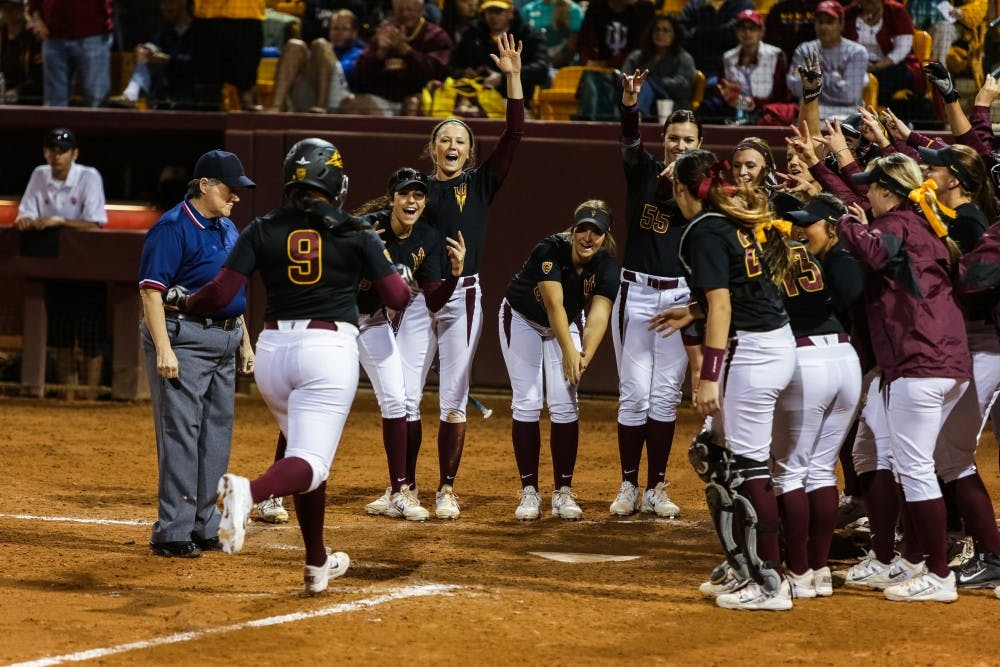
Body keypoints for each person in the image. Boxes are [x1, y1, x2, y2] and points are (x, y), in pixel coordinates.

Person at [172, 138, 411, 592]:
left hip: (273, 353)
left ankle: (316, 563)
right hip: (327, 349)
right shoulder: (357, 230)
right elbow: (397, 298)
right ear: (335, 182)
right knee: (311, 463)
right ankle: (248, 494)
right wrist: (400, 274)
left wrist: (185, 301)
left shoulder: (262, 227)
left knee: (304, 456)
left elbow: (221, 295)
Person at [651, 148, 796, 611]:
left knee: (750, 468)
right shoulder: (727, 218)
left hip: (754, 352)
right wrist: (690, 311)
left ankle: (771, 581)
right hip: (767, 344)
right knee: (713, 455)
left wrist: (708, 376)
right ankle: (743, 566)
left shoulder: (705, 229)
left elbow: (724, 305)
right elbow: (736, 291)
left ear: (680, 189)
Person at [839, 153, 971, 602]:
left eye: (871, 187)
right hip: (942, 362)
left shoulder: (896, 223)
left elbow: (873, 252)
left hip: (920, 362)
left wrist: (846, 225)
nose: (866, 194)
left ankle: (938, 574)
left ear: (888, 190)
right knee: (896, 456)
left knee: (914, 469)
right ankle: (913, 562)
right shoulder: (924, 225)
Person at [416, 32, 524, 519]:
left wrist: (513, 79)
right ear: (433, 149)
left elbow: (514, 135)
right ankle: (400, 489)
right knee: (403, 396)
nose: (453, 145)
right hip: (417, 299)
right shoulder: (413, 190)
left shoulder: (481, 184)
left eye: (461, 140)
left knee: (452, 399)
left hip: (463, 296)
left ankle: (444, 489)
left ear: (469, 151)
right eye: (445, 139)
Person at [138, 150, 255, 558]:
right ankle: (172, 530)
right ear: (204, 184)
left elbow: (232, 290)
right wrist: (164, 350)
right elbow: (152, 291)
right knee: (181, 435)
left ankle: (204, 525)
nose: (236, 196)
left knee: (215, 436)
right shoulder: (172, 227)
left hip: (224, 341)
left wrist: (244, 339)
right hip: (183, 340)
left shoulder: (226, 227)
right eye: (229, 187)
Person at [608, 75, 702, 520]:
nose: (679, 145)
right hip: (637, 294)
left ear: (699, 144)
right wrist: (630, 101)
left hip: (680, 300)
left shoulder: (706, 188)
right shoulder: (643, 170)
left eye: (688, 140)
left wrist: (687, 185)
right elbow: (628, 141)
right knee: (633, 397)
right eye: (673, 138)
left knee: (665, 396)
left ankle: (656, 486)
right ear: (662, 140)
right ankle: (628, 483)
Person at [354, 168, 467, 520]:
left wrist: (454, 275)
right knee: (315, 398)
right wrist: (365, 255)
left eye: (418, 195)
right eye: (405, 194)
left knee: (398, 398)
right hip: (337, 318)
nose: (412, 200)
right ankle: (273, 496)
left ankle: (399, 492)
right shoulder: (367, 227)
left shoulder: (427, 238)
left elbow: (433, 301)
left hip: (372, 321)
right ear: (393, 198)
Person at [501, 201, 618, 521]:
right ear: (573, 230)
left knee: (565, 404)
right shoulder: (549, 250)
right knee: (526, 402)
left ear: (605, 237)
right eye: (582, 229)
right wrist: (570, 352)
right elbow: (554, 306)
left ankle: (563, 492)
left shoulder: (606, 267)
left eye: (596, 232)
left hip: (566, 324)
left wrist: (584, 358)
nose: (588, 237)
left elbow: (599, 315)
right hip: (523, 318)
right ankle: (529, 492)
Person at [773, 194, 863, 598]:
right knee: (822, 470)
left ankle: (797, 571)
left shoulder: (773, 255)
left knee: (790, 471)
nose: (797, 229)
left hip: (805, 357)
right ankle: (821, 570)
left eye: (806, 223)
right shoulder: (828, 258)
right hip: (845, 357)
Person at [15, 128, 108, 396]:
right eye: (52, 150)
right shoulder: (39, 174)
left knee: (91, 338)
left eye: (62, 150)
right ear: (45, 152)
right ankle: (67, 396)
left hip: (88, 268)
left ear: (74, 154)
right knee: (62, 336)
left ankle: (90, 397)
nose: (56, 155)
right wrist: (25, 221)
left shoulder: (89, 176)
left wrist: (59, 221)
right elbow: (27, 214)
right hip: (53, 267)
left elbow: (94, 222)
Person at [342, 0, 452, 116]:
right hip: (384, 99)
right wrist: (380, 53)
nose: (404, 14)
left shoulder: (436, 36)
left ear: (421, 10)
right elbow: (359, 74)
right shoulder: (385, 32)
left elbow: (437, 73)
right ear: (393, 11)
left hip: (419, 98)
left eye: (409, 9)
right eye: (400, 10)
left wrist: (405, 50)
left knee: (412, 104)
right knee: (349, 104)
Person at [450, 0, 550, 101]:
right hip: (474, 98)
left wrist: (503, 78)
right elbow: (451, 66)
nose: (493, 17)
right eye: (489, 11)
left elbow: (541, 69)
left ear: (510, 12)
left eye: (498, 11)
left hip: (515, 98)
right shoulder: (472, 33)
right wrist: (462, 73)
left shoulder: (528, 35)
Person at [787, 1, 869, 121]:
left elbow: (850, 96)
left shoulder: (857, 52)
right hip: (811, 114)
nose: (824, 26)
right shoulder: (804, 50)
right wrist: (837, 79)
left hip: (847, 117)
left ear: (841, 24)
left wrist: (814, 83)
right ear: (815, 25)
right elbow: (796, 89)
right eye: (820, 22)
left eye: (830, 22)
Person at [108, 0, 196, 110]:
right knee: (147, 49)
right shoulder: (165, 30)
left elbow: (200, 63)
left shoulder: (199, 31)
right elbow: (154, 51)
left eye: (169, 2)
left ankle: (132, 94)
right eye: (162, 3)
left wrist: (168, 60)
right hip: (164, 93)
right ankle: (131, 94)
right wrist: (143, 53)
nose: (164, 7)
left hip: (190, 93)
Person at [263, 8, 352, 113]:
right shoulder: (320, 52)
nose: (339, 33)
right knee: (294, 45)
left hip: (338, 98)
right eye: (335, 28)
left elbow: (352, 73)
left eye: (344, 29)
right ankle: (276, 106)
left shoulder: (358, 52)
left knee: (320, 44)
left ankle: (321, 107)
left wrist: (326, 59)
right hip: (309, 92)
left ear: (354, 32)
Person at [27, 0, 113, 107]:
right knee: (54, 104)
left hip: (94, 33)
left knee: (96, 100)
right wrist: (37, 19)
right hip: (53, 35)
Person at [842, 0, 923, 108]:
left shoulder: (896, 11)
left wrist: (876, 66)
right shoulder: (847, 13)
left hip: (891, 64)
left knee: (883, 80)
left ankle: (879, 115)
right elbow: (839, 46)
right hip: (857, 65)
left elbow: (902, 49)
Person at [190, 0, 265, 110]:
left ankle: (253, 125)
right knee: (206, 95)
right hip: (206, 17)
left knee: (247, 92)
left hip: (246, 15)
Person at [717, 9, 788, 123]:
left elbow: (781, 94)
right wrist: (739, 102)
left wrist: (755, 104)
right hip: (735, 110)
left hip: (766, 111)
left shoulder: (775, 55)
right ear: (737, 32)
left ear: (761, 31)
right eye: (743, 28)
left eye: (752, 28)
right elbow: (723, 91)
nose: (747, 33)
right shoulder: (727, 57)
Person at [621, 15, 696, 117]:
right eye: (657, 30)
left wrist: (655, 82)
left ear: (675, 34)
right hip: (639, 97)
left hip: (671, 102)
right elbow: (623, 78)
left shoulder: (684, 58)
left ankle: (634, 118)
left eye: (666, 30)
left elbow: (684, 86)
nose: (660, 34)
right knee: (642, 86)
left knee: (645, 83)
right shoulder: (638, 56)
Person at [677, 0, 754, 86]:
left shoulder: (743, 4)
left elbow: (732, 35)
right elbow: (680, 34)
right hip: (696, 66)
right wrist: (721, 33)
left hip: (729, 70)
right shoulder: (694, 5)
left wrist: (697, 32)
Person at [576, 0, 655, 69]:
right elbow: (584, 44)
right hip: (598, 70)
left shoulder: (644, 9)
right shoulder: (596, 7)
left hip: (632, 69)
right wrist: (587, 62)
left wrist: (608, 64)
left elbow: (641, 49)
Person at [0, 0, 43, 105]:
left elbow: (39, 76)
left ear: (22, 9)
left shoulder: (33, 37)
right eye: (4, 8)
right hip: (4, 90)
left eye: (14, 7)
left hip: (28, 96)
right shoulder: (2, 34)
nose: (9, 12)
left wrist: (18, 90)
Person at [520, 0, 582, 69]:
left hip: (564, 66)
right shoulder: (528, 9)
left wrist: (549, 66)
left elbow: (572, 47)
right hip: (534, 65)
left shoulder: (573, 9)